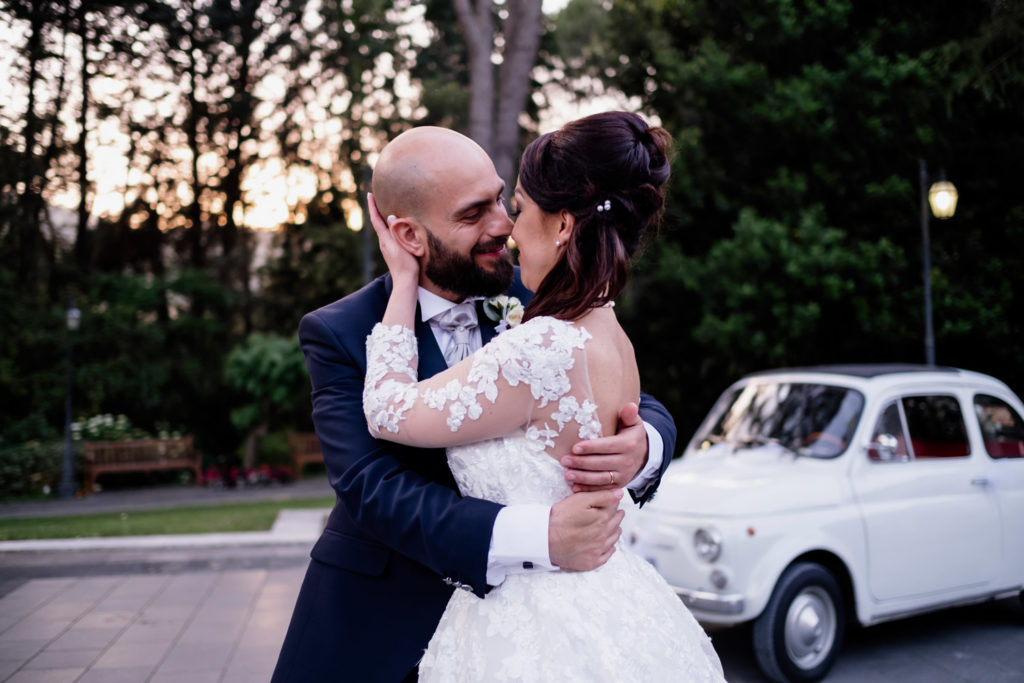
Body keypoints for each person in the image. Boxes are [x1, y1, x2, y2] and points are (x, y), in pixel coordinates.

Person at [271, 124, 679, 682]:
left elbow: (626, 393)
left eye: (500, 199)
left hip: (539, 640)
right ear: (409, 236)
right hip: (379, 629)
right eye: (473, 214)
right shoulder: (340, 330)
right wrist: (541, 536)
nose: (504, 227)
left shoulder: (547, 288)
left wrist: (644, 445)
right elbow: (370, 485)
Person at [364, 111, 724, 681]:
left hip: (532, 627)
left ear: (562, 226)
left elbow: (387, 411)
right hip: (611, 602)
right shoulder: (608, 328)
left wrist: (402, 282)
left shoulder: (544, 342)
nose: (507, 228)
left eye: (520, 207)